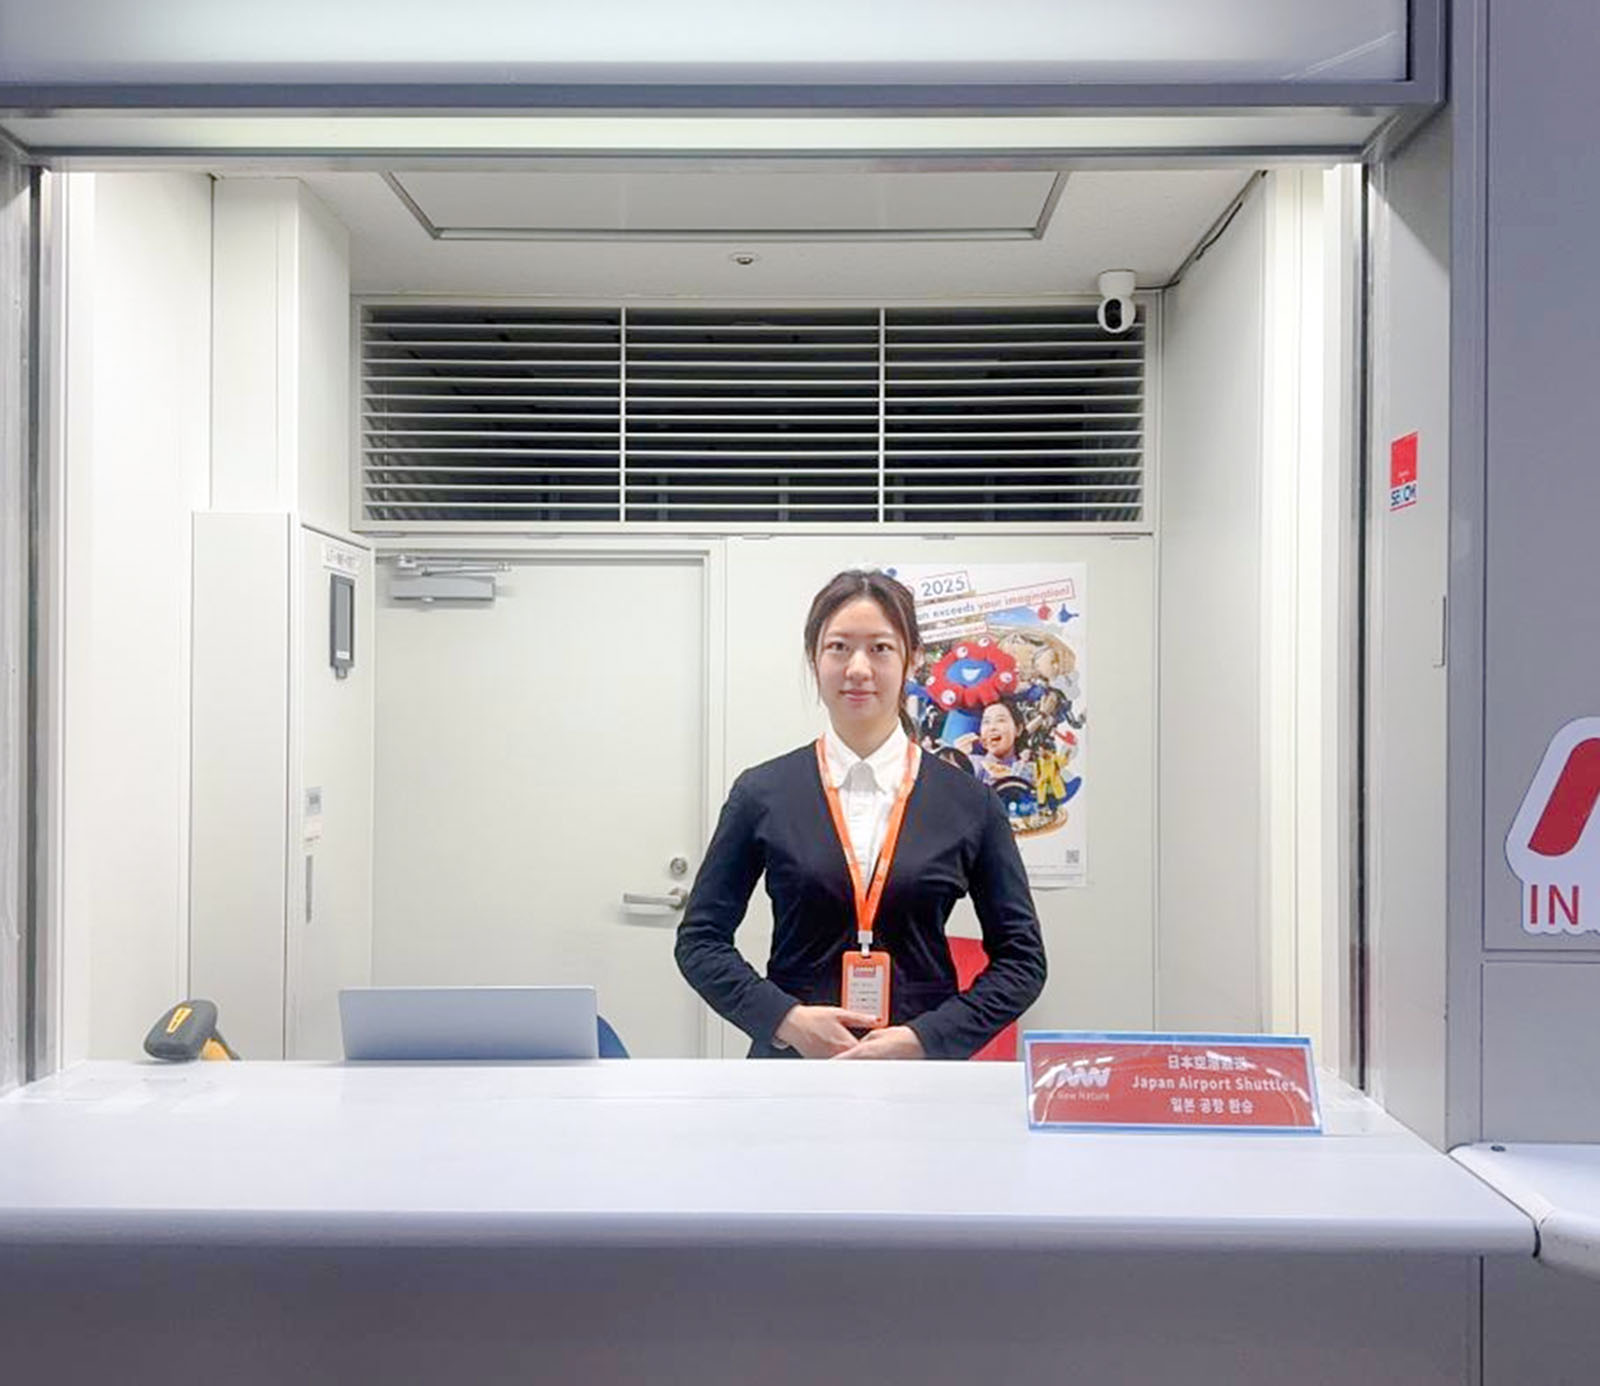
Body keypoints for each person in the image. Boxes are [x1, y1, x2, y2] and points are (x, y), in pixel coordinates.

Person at [674, 569, 1047, 1059]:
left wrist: (926, 1038)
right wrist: (784, 1020)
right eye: (838, 647)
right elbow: (700, 941)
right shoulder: (762, 792)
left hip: (919, 1077)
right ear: (814, 660)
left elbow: (1022, 962)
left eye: (880, 648)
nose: (858, 668)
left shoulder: (970, 803)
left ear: (911, 660)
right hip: (794, 1068)